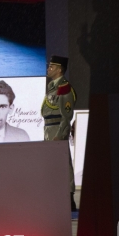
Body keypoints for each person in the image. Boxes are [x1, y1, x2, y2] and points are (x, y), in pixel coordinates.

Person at [41, 55, 78, 211]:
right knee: (52, 164)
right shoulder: (52, 87)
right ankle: (55, 195)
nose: (48, 69)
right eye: (49, 66)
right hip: (49, 127)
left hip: (57, 128)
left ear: (60, 69)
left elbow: (66, 115)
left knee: (63, 163)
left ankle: (68, 197)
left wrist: (61, 134)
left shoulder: (64, 88)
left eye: (52, 66)